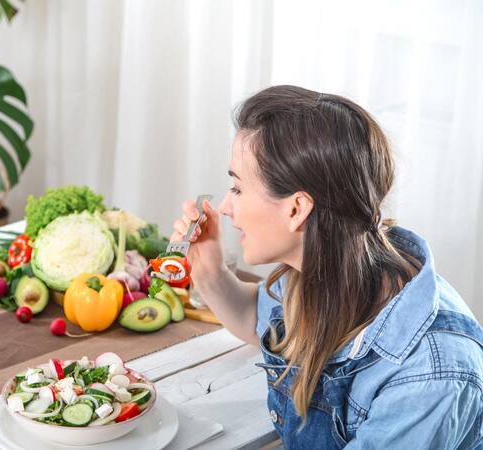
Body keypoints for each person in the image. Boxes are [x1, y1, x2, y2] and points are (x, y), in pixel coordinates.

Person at [172, 85, 483, 449]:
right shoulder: (335, 263)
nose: (225, 207)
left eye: (238, 188)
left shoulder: (429, 376)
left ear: (296, 209)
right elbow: (256, 322)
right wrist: (208, 269)